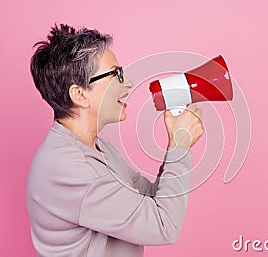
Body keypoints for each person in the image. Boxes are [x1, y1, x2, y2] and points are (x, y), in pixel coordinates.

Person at [26, 24, 203, 256]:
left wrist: (176, 145)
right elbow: (164, 226)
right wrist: (180, 147)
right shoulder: (71, 169)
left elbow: (149, 199)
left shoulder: (95, 148)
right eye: (115, 74)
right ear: (80, 94)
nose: (127, 82)